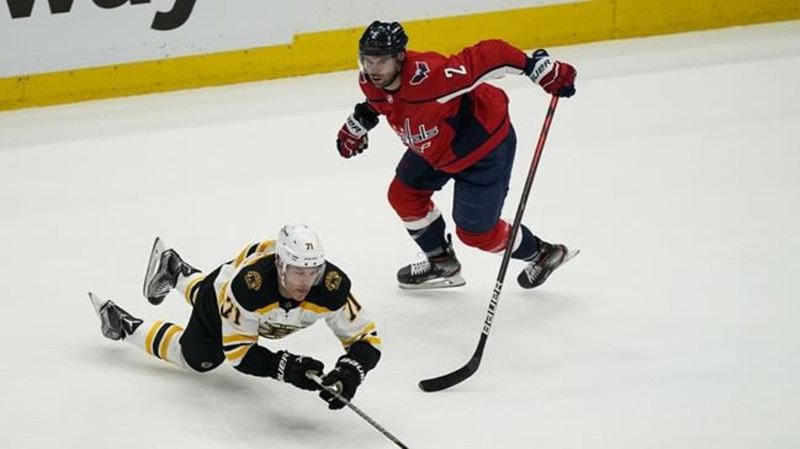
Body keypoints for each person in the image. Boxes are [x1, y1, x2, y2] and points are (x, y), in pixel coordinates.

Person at [336, 21, 579, 290]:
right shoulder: (369, 81)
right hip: (436, 147)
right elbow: (384, 102)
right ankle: (441, 262)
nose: (373, 69)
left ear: (400, 57)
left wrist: (535, 66)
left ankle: (543, 254)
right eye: (367, 61)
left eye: (381, 61)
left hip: (483, 149)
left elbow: (490, 54)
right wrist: (361, 121)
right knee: (403, 195)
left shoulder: (432, 77)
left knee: (476, 233)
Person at [88, 224, 381, 410]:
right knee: (197, 359)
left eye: (312, 272)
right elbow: (238, 354)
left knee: (215, 297)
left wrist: (351, 371)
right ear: (280, 267)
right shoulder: (250, 290)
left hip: (235, 278)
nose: (306, 283)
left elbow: (366, 338)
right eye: (297, 272)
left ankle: (176, 270)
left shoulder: (331, 288)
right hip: (222, 292)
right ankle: (125, 326)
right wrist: (284, 367)